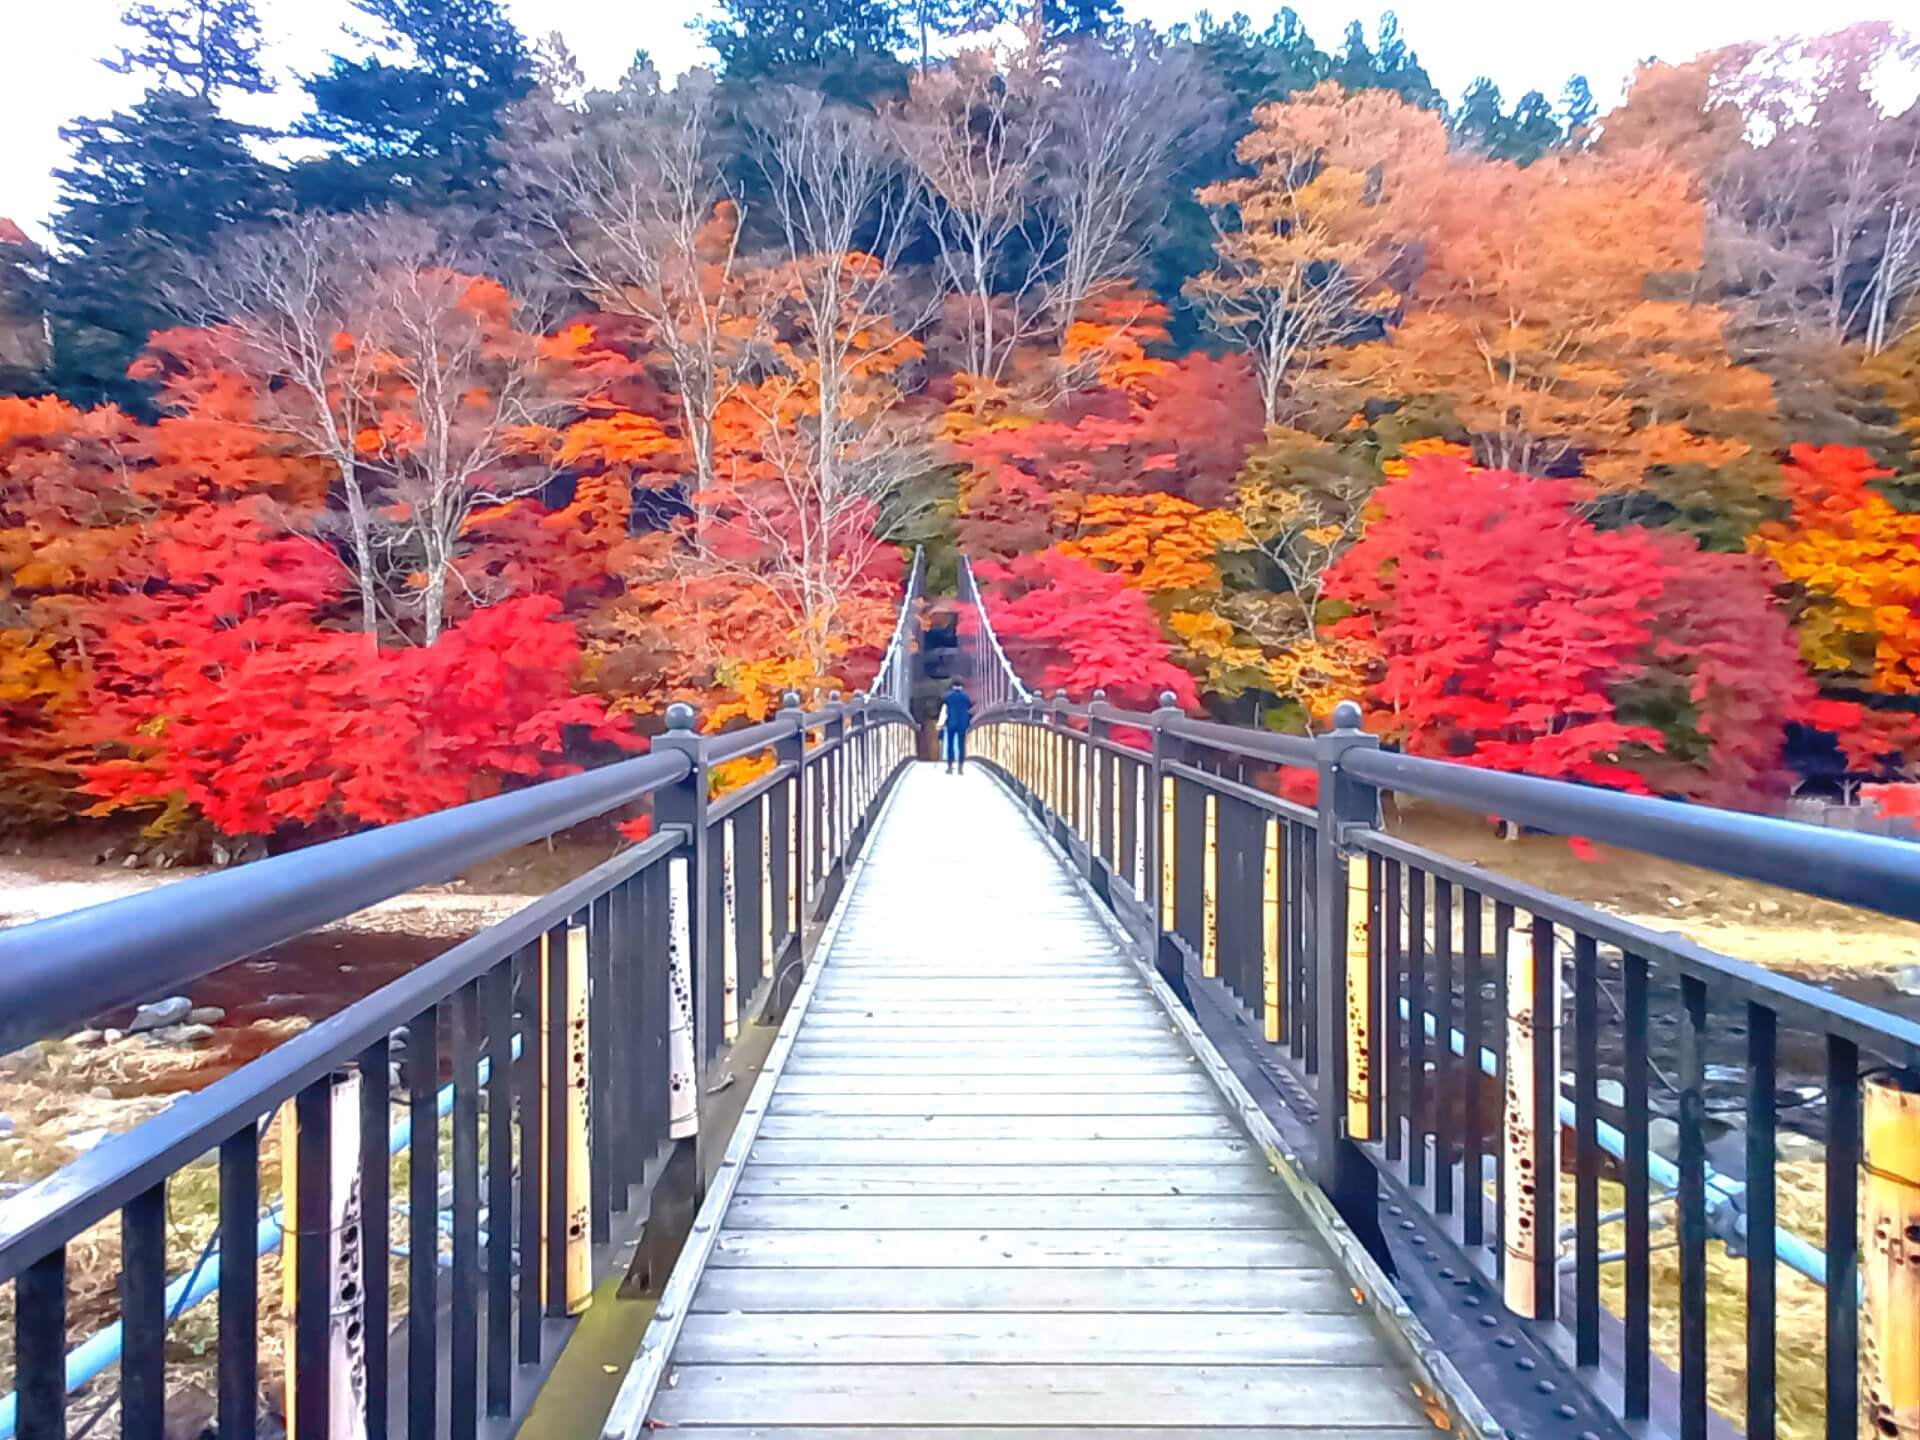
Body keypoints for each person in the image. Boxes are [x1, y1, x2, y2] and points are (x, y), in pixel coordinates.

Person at [936, 679, 973, 773]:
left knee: (950, 745)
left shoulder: (947, 697)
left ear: (952, 686)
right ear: (961, 686)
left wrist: (940, 724)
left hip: (951, 724)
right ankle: (960, 768)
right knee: (961, 745)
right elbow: (969, 709)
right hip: (962, 724)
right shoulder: (966, 697)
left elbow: (944, 712)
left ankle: (949, 767)